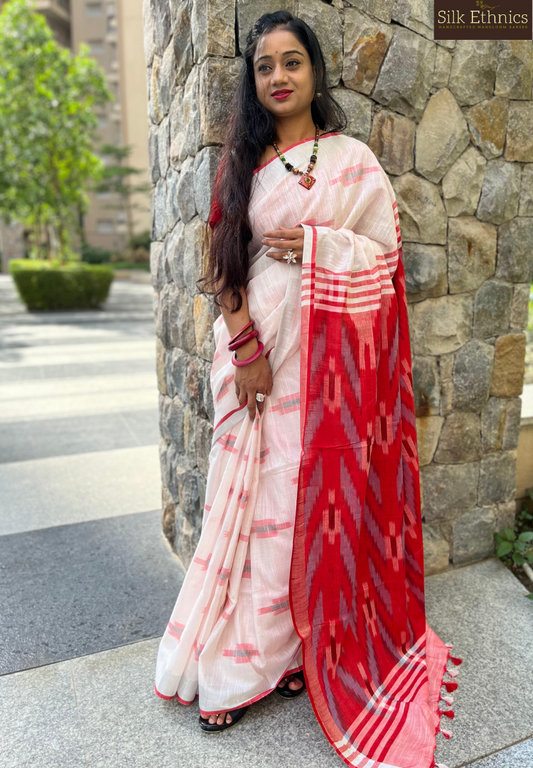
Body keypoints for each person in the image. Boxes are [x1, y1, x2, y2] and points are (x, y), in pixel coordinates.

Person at [154, 11, 462, 767]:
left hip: (328, 371)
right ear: (255, 83)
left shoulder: (352, 159)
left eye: (292, 62)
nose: (279, 76)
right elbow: (220, 267)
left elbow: (384, 264)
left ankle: (288, 654)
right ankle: (237, 660)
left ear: (315, 72)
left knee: (302, 507)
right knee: (253, 506)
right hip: (261, 364)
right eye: (265, 66)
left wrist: (325, 246)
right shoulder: (242, 161)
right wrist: (249, 351)